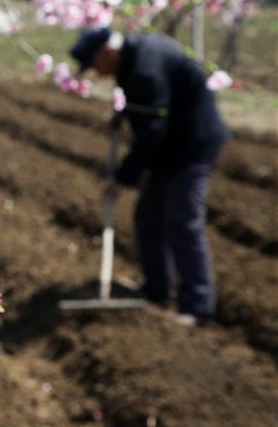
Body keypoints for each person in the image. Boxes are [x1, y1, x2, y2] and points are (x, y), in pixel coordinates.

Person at [69, 27, 231, 326]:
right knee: (148, 217)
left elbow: (151, 135)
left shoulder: (144, 68)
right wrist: (126, 113)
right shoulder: (137, 52)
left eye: (94, 64)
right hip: (170, 143)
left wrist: (121, 177)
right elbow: (153, 109)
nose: (95, 72)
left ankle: (196, 305)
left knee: (183, 220)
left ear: (107, 52)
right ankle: (156, 290)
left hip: (191, 143)